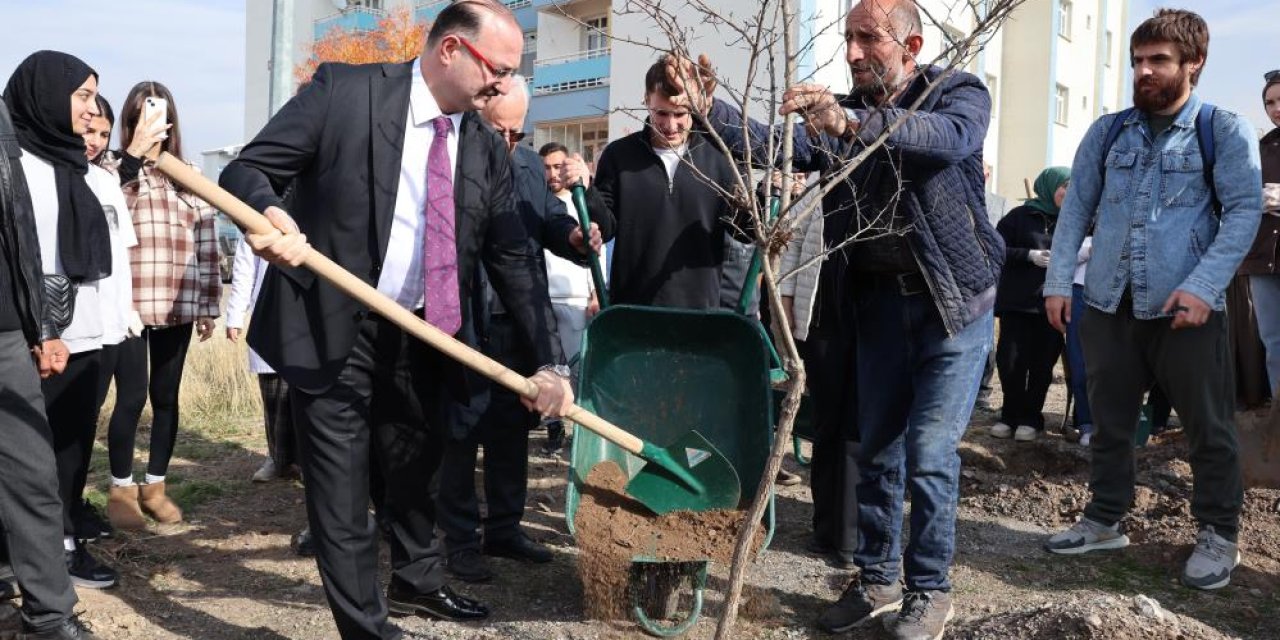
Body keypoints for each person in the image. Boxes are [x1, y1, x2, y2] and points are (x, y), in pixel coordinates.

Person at [217, 2, 592, 637]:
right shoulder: (345, 93)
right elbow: (246, 170)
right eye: (498, 69)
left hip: (421, 332)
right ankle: (367, 626)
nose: (504, 85)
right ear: (451, 50)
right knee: (340, 490)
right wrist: (264, 215)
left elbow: (513, 260)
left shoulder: (482, 146)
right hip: (332, 321)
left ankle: (418, 581)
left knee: (415, 466)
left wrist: (551, 362)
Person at [674, 0, 1000, 636]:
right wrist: (708, 106)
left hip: (952, 308)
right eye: (847, 38)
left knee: (930, 453)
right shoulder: (842, 114)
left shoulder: (956, 92)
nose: (852, 53)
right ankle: (877, 579)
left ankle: (929, 590)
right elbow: (777, 145)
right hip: (877, 307)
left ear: (911, 43)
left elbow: (943, 141)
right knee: (874, 450)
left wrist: (849, 122)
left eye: (866, 39)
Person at [1043, 9, 1262, 592]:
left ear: (1194, 64)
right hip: (1109, 304)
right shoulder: (1109, 131)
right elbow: (1075, 214)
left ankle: (1218, 534)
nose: (1143, 71)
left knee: (1207, 429)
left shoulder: (1223, 129)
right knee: (1110, 424)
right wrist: (1059, 283)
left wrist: (1204, 285)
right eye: (1138, 60)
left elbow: (1243, 212)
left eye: (1158, 60)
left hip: (1186, 310)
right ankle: (1105, 519)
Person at [436, 77, 591, 583]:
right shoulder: (445, 155)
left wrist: (573, 234)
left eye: (517, 134)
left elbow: (545, 222)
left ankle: (504, 527)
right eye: (498, 130)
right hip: (460, 320)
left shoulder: (526, 164)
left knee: (509, 431)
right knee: (458, 431)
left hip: (514, 323)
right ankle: (458, 540)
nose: (507, 143)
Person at [0, 49, 103, 640]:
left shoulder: (27, 146)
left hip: (7, 333)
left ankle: (49, 614)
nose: (90, 109)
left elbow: (24, 247)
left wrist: (42, 328)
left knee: (31, 472)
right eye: (83, 96)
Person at [101, 81, 220, 530]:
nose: (150, 123)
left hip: (178, 300)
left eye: (158, 114)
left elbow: (207, 240)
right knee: (130, 396)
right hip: (129, 305)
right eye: (140, 115)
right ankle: (120, 488)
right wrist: (133, 153)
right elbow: (106, 210)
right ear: (130, 122)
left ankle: (155, 484)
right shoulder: (113, 167)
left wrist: (208, 303)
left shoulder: (188, 172)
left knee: (165, 396)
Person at [583, 58, 751, 310]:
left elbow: (745, 232)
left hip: (699, 314)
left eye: (681, 113)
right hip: (632, 312)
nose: (671, 125)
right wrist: (587, 191)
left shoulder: (720, 157)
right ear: (646, 100)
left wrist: (755, 195)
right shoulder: (619, 156)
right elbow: (605, 228)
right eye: (661, 113)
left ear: (695, 107)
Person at [776, 171, 859, 568]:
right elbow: (792, 250)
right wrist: (788, 305)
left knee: (856, 431)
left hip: (868, 322)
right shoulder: (818, 184)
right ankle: (825, 527)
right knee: (828, 427)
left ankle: (850, 537)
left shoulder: (887, 177)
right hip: (822, 320)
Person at [990, 167, 1070, 442]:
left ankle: (1031, 418)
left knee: (1042, 365)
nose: (1068, 193)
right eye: (1064, 186)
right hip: (1018, 304)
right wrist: (1028, 255)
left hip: (1053, 306)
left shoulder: (1076, 221)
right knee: (1011, 362)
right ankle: (1009, 415)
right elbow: (995, 248)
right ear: (1049, 187)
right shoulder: (1019, 217)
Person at [538, 141, 602, 452]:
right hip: (545, 302)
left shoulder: (580, 203)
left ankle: (584, 432)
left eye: (557, 166)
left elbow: (597, 250)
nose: (552, 173)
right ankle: (553, 429)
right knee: (549, 369)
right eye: (546, 167)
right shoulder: (535, 203)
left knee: (579, 370)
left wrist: (595, 293)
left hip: (577, 299)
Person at [225, 234, 297, 483]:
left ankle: (305, 461)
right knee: (273, 395)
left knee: (303, 396)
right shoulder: (258, 216)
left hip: (306, 314)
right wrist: (235, 316)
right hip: (268, 313)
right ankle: (277, 457)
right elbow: (245, 269)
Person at [1240, 72, 1280, 394]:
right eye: (1270, 102)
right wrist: (1254, 202)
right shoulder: (1259, 149)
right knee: (1272, 342)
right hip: (1262, 256)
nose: (1276, 108)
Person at [1063, 234, 1095, 445]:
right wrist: (1090, 250)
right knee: (1079, 364)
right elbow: (1063, 258)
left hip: (1116, 295)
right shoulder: (1081, 235)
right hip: (1078, 293)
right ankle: (1086, 424)